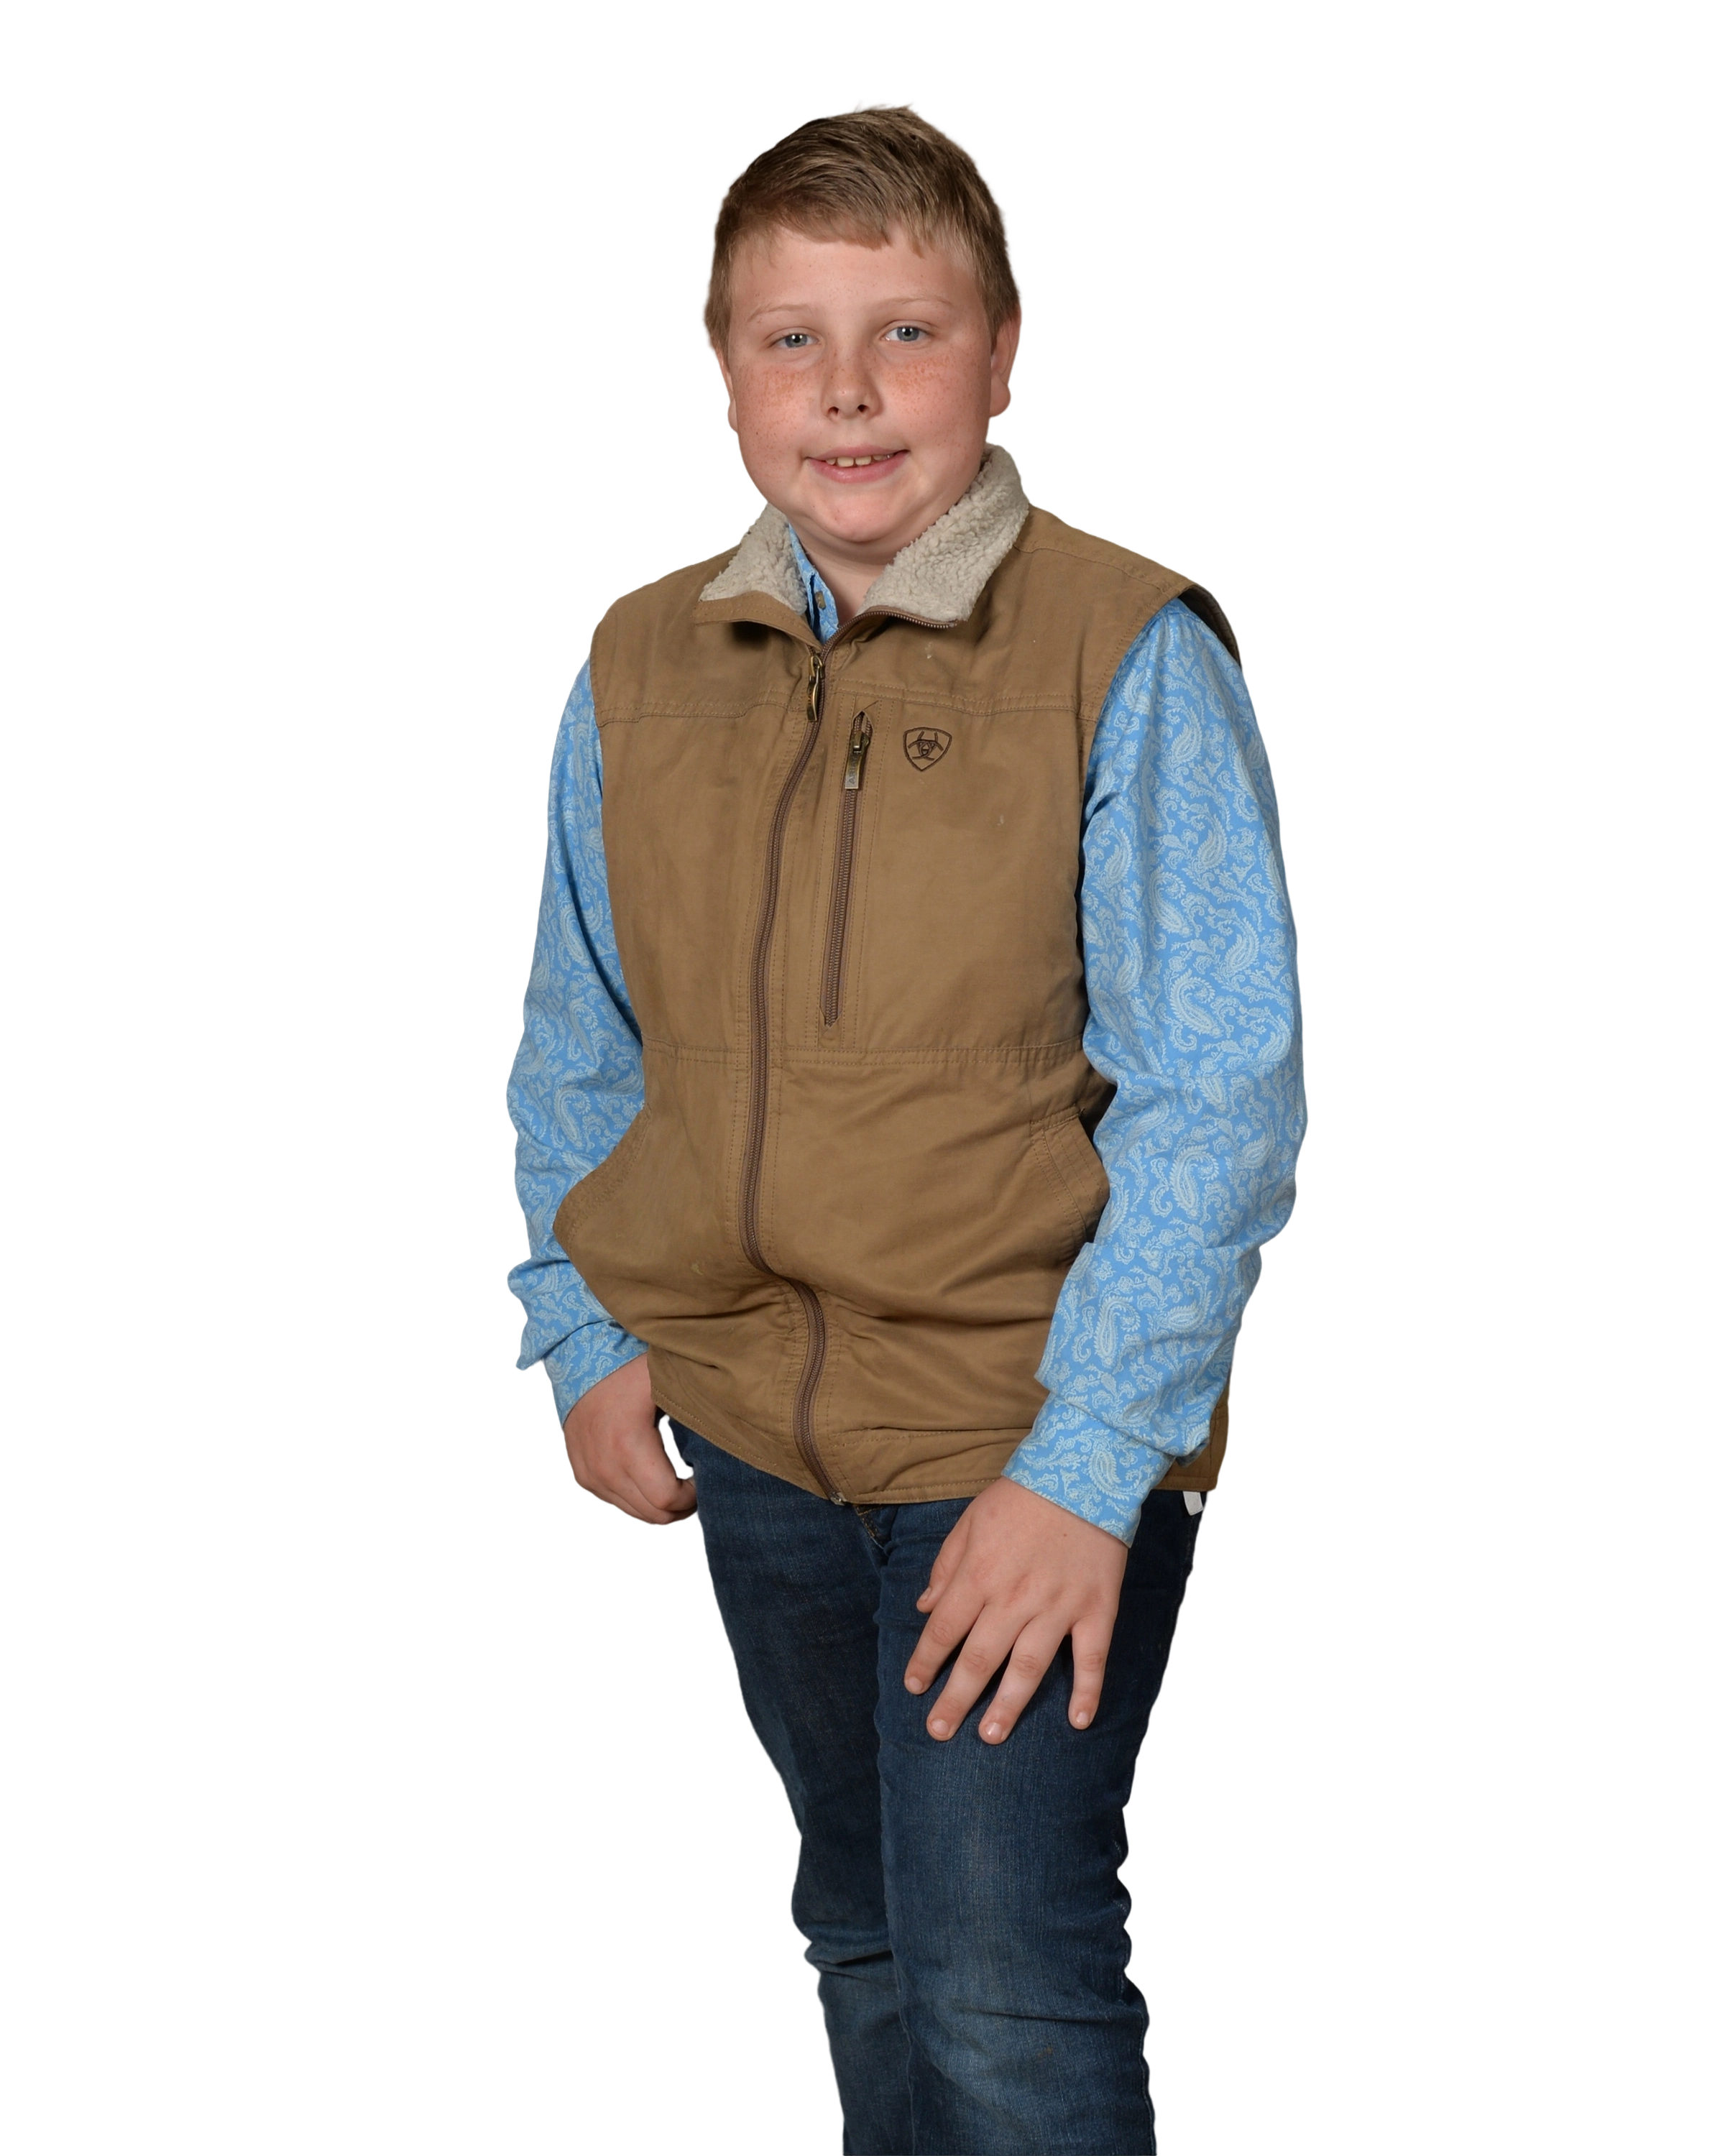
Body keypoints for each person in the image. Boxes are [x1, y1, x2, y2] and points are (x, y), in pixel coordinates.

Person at [504, 96, 1305, 2156]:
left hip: (1017, 1442)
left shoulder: (1127, 656)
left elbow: (1219, 1096)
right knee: (861, 1933)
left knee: (1003, 1981)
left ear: (1005, 356)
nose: (847, 392)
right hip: (754, 1437)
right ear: (724, 366)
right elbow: (583, 1038)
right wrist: (585, 1332)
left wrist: (1087, 1472)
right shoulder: (636, 659)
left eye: (907, 334)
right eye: (793, 337)